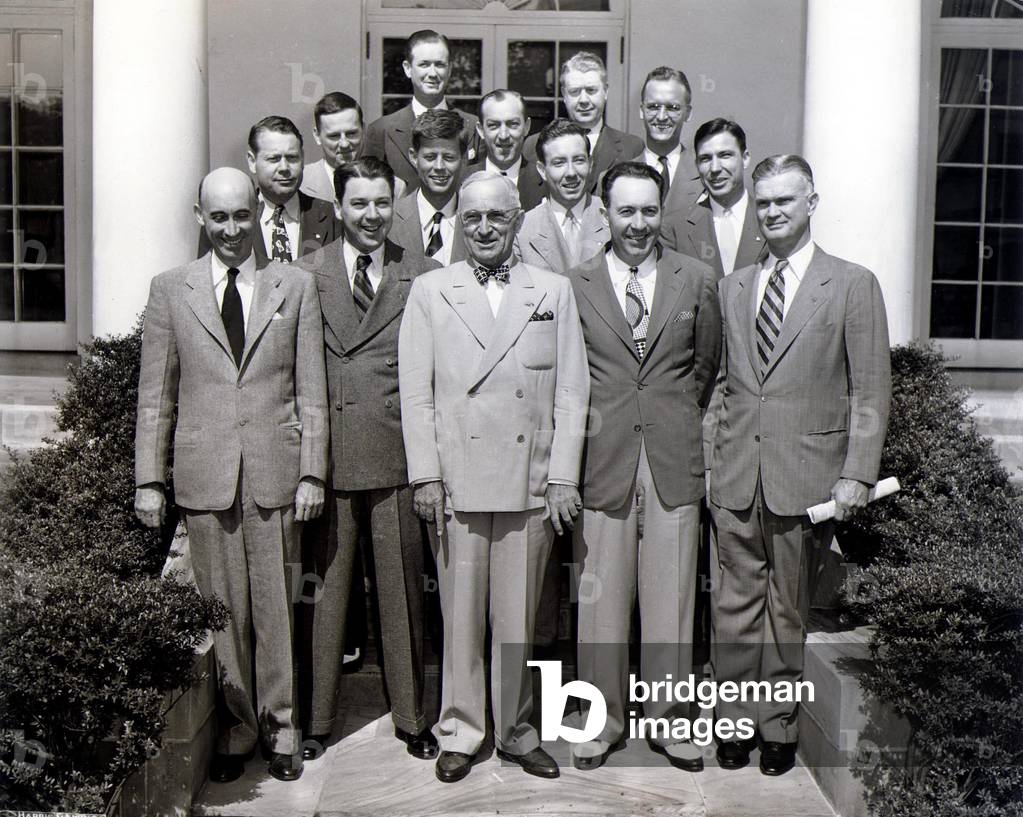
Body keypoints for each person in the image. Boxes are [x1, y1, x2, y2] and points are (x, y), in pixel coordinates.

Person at [135, 167, 329, 784]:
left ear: (257, 216)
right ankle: (241, 725)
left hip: (275, 472)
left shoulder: (292, 286)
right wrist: (149, 479)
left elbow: (312, 391)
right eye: (217, 217)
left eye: (241, 216)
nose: (230, 229)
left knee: (276, 607)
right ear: (200, 217)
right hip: (204, 473)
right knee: (221, 613)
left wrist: (312, 473)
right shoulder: (172, 290)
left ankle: (283, 726)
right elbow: (155, 395)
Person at [398, 171, 589, 784]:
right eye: (472, 217)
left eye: (497, 218)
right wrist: (425, 474)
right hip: (456, 481)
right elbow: (416, 395)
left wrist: (563, 475)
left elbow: (571, 391)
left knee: (520, 619)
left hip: (529, 481)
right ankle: (460, 730)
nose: (484, 228)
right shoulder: (431, 290)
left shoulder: (553, 290)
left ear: (516, 221)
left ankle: (517, 731)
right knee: (460, 617)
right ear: (460, 222)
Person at [710, 154, 891, 776]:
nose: (773, 212)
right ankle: (732, 723)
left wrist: (857, 472)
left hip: (806, 478)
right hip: (736, 475)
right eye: (763, 203)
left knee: (788, 609)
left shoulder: (851, 283)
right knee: (732, 606)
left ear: (812, 201)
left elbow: (869, 390)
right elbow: (723, 384)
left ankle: (777, 727)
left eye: (786, 200)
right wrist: (713, 458)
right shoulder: (734, 287)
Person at [566, 162, 720, 773]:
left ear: (662, 212)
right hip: (602, 458)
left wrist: (677, 422)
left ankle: (668, 721)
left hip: (671, 459)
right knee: (599, 597)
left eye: (648, 211)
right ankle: (600, 720)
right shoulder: (573, 284)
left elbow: (705, 367)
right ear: (604, 213)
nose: (638, 224)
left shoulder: (696, 278)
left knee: (672, 595)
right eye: (625, 211)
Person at [293, 157, 439, 763]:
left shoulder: (423, 274)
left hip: (398, 456)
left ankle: (411, 717)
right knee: (326, 593)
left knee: (403, 591)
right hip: (329, 458)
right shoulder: (305, 275)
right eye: (359, 204)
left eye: (382, 203)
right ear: (339, 205)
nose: (372, 216)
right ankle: (317, 718)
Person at [199, 116, 339, 264]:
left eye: (292, 158)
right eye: (274, 159)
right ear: (252, 161)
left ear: (302, 158)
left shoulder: (331, 217)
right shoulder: (222, 223)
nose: (284, 168)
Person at [363, 29, 480, 187]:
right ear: (408, 68)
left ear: (450, 69)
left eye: (439, 64)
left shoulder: (472, 126)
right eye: (424, 64)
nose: (432, 73)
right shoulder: (381, 130)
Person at [523, 51, 642, 194]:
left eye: (591, 90)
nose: (584, 100)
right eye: (575, 91)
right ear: (564, 94)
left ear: (606, 91)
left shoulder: (632, 147)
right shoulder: (532, 145)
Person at [661, 118, 764, 278]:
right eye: (706, 159)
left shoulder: (769, 220)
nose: (715, 168)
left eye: (725, 155)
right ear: (697, 165)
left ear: (745, 158)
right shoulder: (673, 228)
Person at [514, 119, 609, 274]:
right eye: (559, 163)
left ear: (590, 163)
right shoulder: (523, 230)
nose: (571, 173)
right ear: (542, 170)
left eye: (579, 160)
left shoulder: (611, 219)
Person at [387, 108, 468, 267]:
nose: (439, 166)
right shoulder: (390, 218)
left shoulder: (477, 218)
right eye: (430, 157)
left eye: (449, 157)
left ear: (464, 159)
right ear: (414, 157)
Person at [301, 91, 409, 203]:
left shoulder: (395, 187)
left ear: (363, 129)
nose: (344, 144)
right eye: (334, 136)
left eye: (351, 133)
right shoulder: (300, 181)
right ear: (317, 136)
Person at [627, 66, 705, 216]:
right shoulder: (616, 177)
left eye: (672, 107)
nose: (662, 116)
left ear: (687, 113)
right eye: (653, 106)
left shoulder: (705, 173)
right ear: (641, 110)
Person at [464, 89, 545, 212]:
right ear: (480, 130)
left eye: (512, 124)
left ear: (526, 127)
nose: (503, 135)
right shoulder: (461, 181)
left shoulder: (546, 182)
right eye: (493, 125)